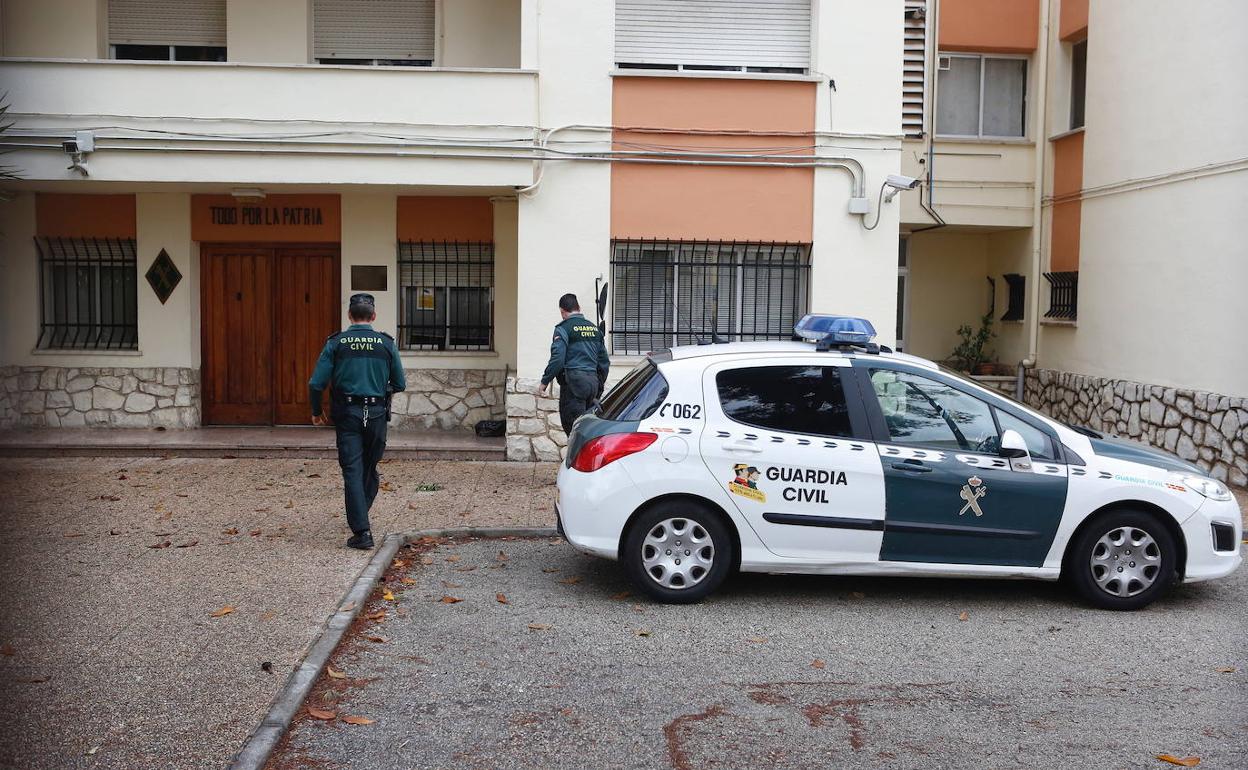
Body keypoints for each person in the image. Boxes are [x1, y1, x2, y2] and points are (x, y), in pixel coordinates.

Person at [308, 293, 406, 550]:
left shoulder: (336, 342)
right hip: (375, 415)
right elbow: (400, 383)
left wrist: (317, 411)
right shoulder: (386, 343)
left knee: (353, 470)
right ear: (373, 316)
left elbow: (316, 383)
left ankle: (361, 526)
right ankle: (361, 520)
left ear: (350, 316)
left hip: (348, 414)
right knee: (369, 467)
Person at [537, 293, 610, 434]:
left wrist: (544, 382)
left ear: (562, 311)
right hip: (592, 386)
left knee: (573, 430)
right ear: (579, 308)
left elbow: (558, 358)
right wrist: (598, 388)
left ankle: (575, 456)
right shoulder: (595, 329)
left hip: (573, 385)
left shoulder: (563, 328)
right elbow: (604, 363)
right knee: (587, 431)